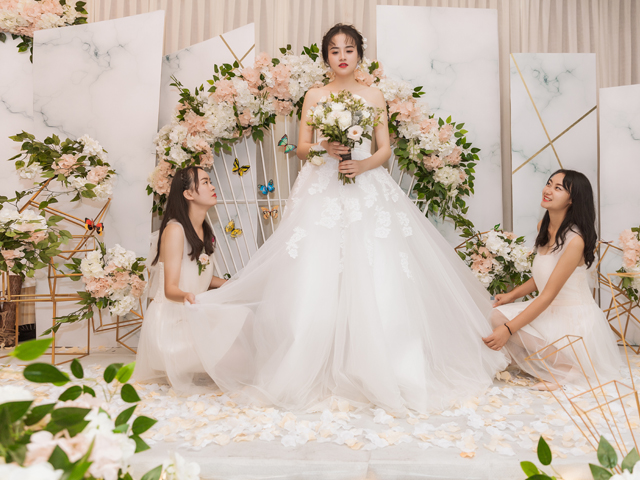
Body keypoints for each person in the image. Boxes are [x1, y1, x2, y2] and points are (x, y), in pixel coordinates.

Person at [185, 23, 508, 414]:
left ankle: (385, 366)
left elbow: (384, 149)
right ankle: (308, 364)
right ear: (326, 57)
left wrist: (362, 165)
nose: (342, 56)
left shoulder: (373, 95)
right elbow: (301, 149)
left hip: (366, 185)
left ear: (359, 55)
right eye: (335, 50)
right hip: (322, 187)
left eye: (349, 49)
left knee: (378, 271)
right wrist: (325, 146)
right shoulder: (315, 94)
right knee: (315, 270)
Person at [483, 170, 621, 390]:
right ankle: (542, 363)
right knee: (495, 314)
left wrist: (508, 329)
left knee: (502, 323)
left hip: (571, 315)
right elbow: (543, 276)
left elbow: (547, 294)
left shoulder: (575, 240)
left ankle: (567, 367)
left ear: (572, 199)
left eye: (558, 188)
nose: (548, 190)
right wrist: (511, 295)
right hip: (548, 307)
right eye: (549, 184)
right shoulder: (543, 226)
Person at [135, 166, 227, 391]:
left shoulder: (204, 230)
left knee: (243, 316)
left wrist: (234, 284)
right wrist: (188, 296)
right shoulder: (175, 230)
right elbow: (170, 289)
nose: (212, 186)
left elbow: (200, 276)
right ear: (188, 194)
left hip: (192, 309)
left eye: (210, 181)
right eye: (205, 182)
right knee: (235, 342)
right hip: (171, 322)